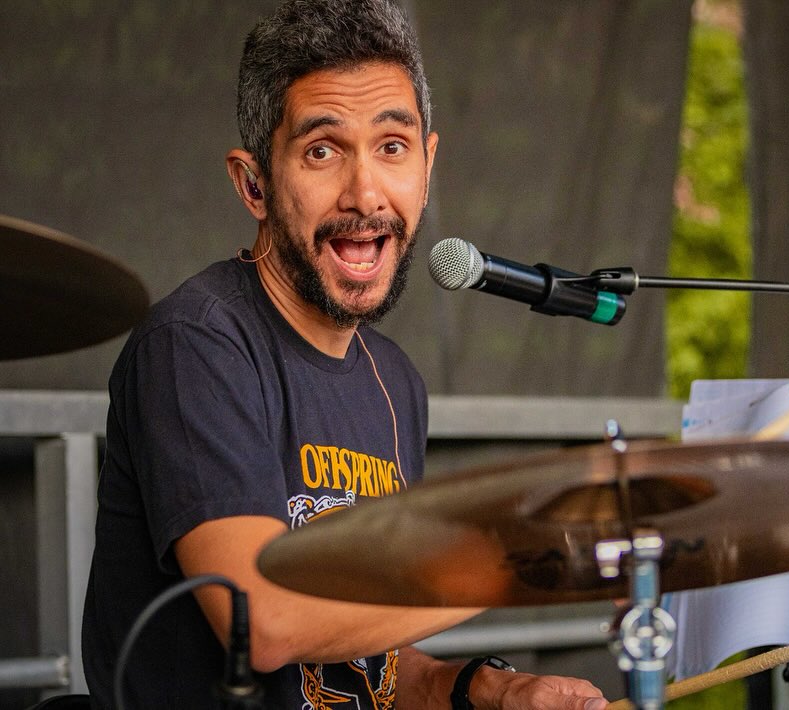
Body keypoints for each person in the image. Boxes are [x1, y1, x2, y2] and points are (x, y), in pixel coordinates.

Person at [80, 1, 610, 708]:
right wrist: (526, 561)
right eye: (322, 150)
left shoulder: (394, 381)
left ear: (427, 165)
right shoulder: (197, 345)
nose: (365, 194)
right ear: (254, 184)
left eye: (392, 147)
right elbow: (262, 623)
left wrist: (485, 689)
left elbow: (367, 668)